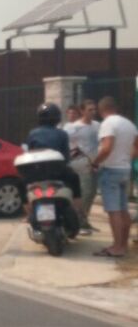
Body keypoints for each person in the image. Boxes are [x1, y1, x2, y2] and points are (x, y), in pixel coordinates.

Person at [90, 97, 138, 258]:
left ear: (101, 110)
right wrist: (126, 159)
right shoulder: (129, 124)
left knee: (113, 211)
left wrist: (95, 163)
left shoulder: (108, 124)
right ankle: (123, 245)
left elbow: (107, 148)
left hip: (110, 170)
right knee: (123, 209)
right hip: (124, 170)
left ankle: (117, 247)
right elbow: (137, 147)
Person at [25, 103, 82, 217]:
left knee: (21, 184)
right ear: (57, 118)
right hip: (58, 173)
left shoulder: (32, 133)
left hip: (37, 173)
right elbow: (66, 157)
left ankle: (28, 214)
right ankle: (79, 212)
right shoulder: (62, 134)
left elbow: (29, 153)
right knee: (75, 179)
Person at [62, 100, 100, 234]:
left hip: (95, 164)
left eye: (94, 109)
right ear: (82, 111)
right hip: (80, 165)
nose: (93, 112)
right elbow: (65, 144)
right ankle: (79, 223)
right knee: (85, 193)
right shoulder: (73, 127)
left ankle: (84, 221)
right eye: (90, 110)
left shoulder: (97, 125)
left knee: (92, 193)